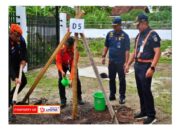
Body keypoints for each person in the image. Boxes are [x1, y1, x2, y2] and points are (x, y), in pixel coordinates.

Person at [125, 14, 161, 124]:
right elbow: (134, 52)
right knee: (140, 90)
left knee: (146, 90)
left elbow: (157, 52)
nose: (137, 27)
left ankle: (151, 115)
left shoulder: (153, 35)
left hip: (146, 66)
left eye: (138, 24)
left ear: (144, 23)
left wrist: (152, 68)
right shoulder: (139, 35)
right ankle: (144, 111)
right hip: (138, 66)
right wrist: (128, 64)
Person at [102, 17, 130, 104]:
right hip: (111, 61)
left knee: (122, 79)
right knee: (111, 78)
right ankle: (112, 94)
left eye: (115, 25)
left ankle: (122, 96)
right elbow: (106, 46)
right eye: (113, 25)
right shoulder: (109, 34)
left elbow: (127, 50)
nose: (113, 27)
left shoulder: (125, 36)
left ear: (120, 25)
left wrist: (126, 63)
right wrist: (103, 56)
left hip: (121, 62)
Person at [56, 37, 84, 108]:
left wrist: (71, 79)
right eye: (66, 46)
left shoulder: (75, 52)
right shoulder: (60, 50)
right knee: (61, 81)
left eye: (69, 47)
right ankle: (63, 100)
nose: (67, 48)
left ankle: (79, 97)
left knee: (76, 80)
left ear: (72, 46)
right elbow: (58, 62)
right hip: (63, 65)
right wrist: (62, 71)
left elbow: (74, 67)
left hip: (72, 65)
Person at [9, 24, 28, 106]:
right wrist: (14, 77)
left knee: (23, 81)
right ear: (11, 33)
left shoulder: (21, 39)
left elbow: (24, 51)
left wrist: (24, 60)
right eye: (17, 36)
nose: (18, 38)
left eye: (20, 36)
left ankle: (10, 97)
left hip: (16, 63)